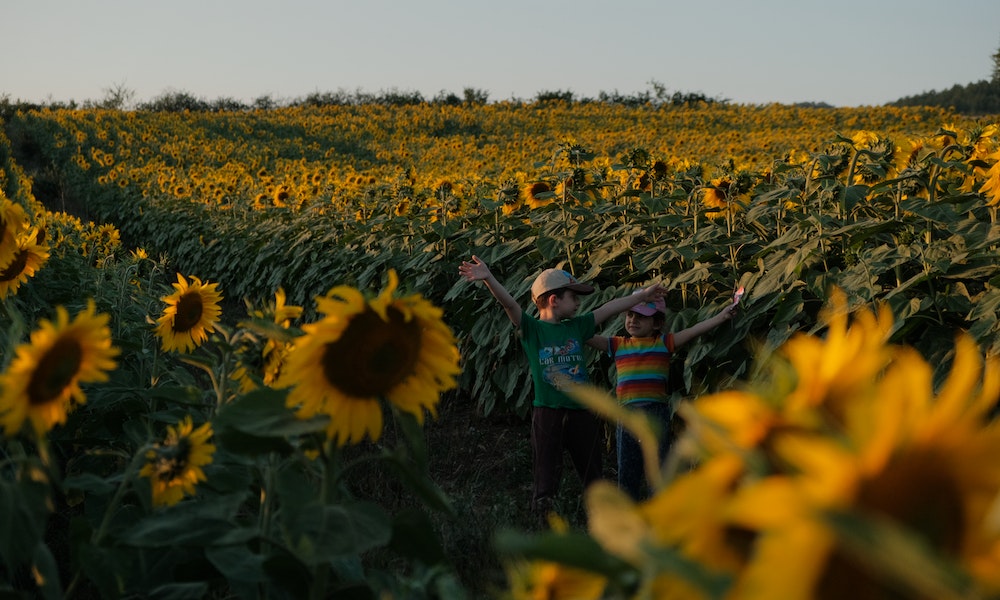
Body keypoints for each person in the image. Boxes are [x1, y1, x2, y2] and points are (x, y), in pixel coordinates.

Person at [458, 255, 668, 521]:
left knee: (592, 471)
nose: (579, 303)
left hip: (582, 411)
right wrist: (489, 278)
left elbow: (611, 307)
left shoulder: (578, 327)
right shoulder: (533, 329)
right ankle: (543, 516)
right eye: (574, 297)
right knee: (545, 471)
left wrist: (642, 296)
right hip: (548, 412)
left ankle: (602, 519)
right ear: (554, 300)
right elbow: (509, 304)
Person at [586, 293, 738, 501]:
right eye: (630, 315)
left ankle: (659, 510)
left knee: (658, 469)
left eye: (641, 317)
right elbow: (585, 335)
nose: (633, 320)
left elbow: (693, 331)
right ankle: (628, 512)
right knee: (627, 468)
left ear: (657, 323)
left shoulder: (664, 343)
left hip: (655, 412)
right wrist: (565, 324)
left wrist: (721, 316)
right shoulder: (618, 344)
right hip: (627, 415)